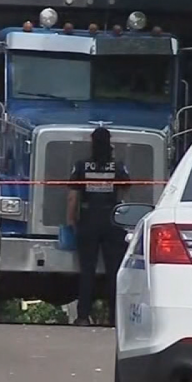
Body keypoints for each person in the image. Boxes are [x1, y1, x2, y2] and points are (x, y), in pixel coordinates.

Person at [66, 127, 130, 326]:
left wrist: (71, 221)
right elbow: (126, 189)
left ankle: (83, 316)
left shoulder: (81, 166)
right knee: (114, 271)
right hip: (112, 220)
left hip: (88, 220)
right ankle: (114, 318)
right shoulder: (118, 166)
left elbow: (73, 196)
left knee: (87, 271)